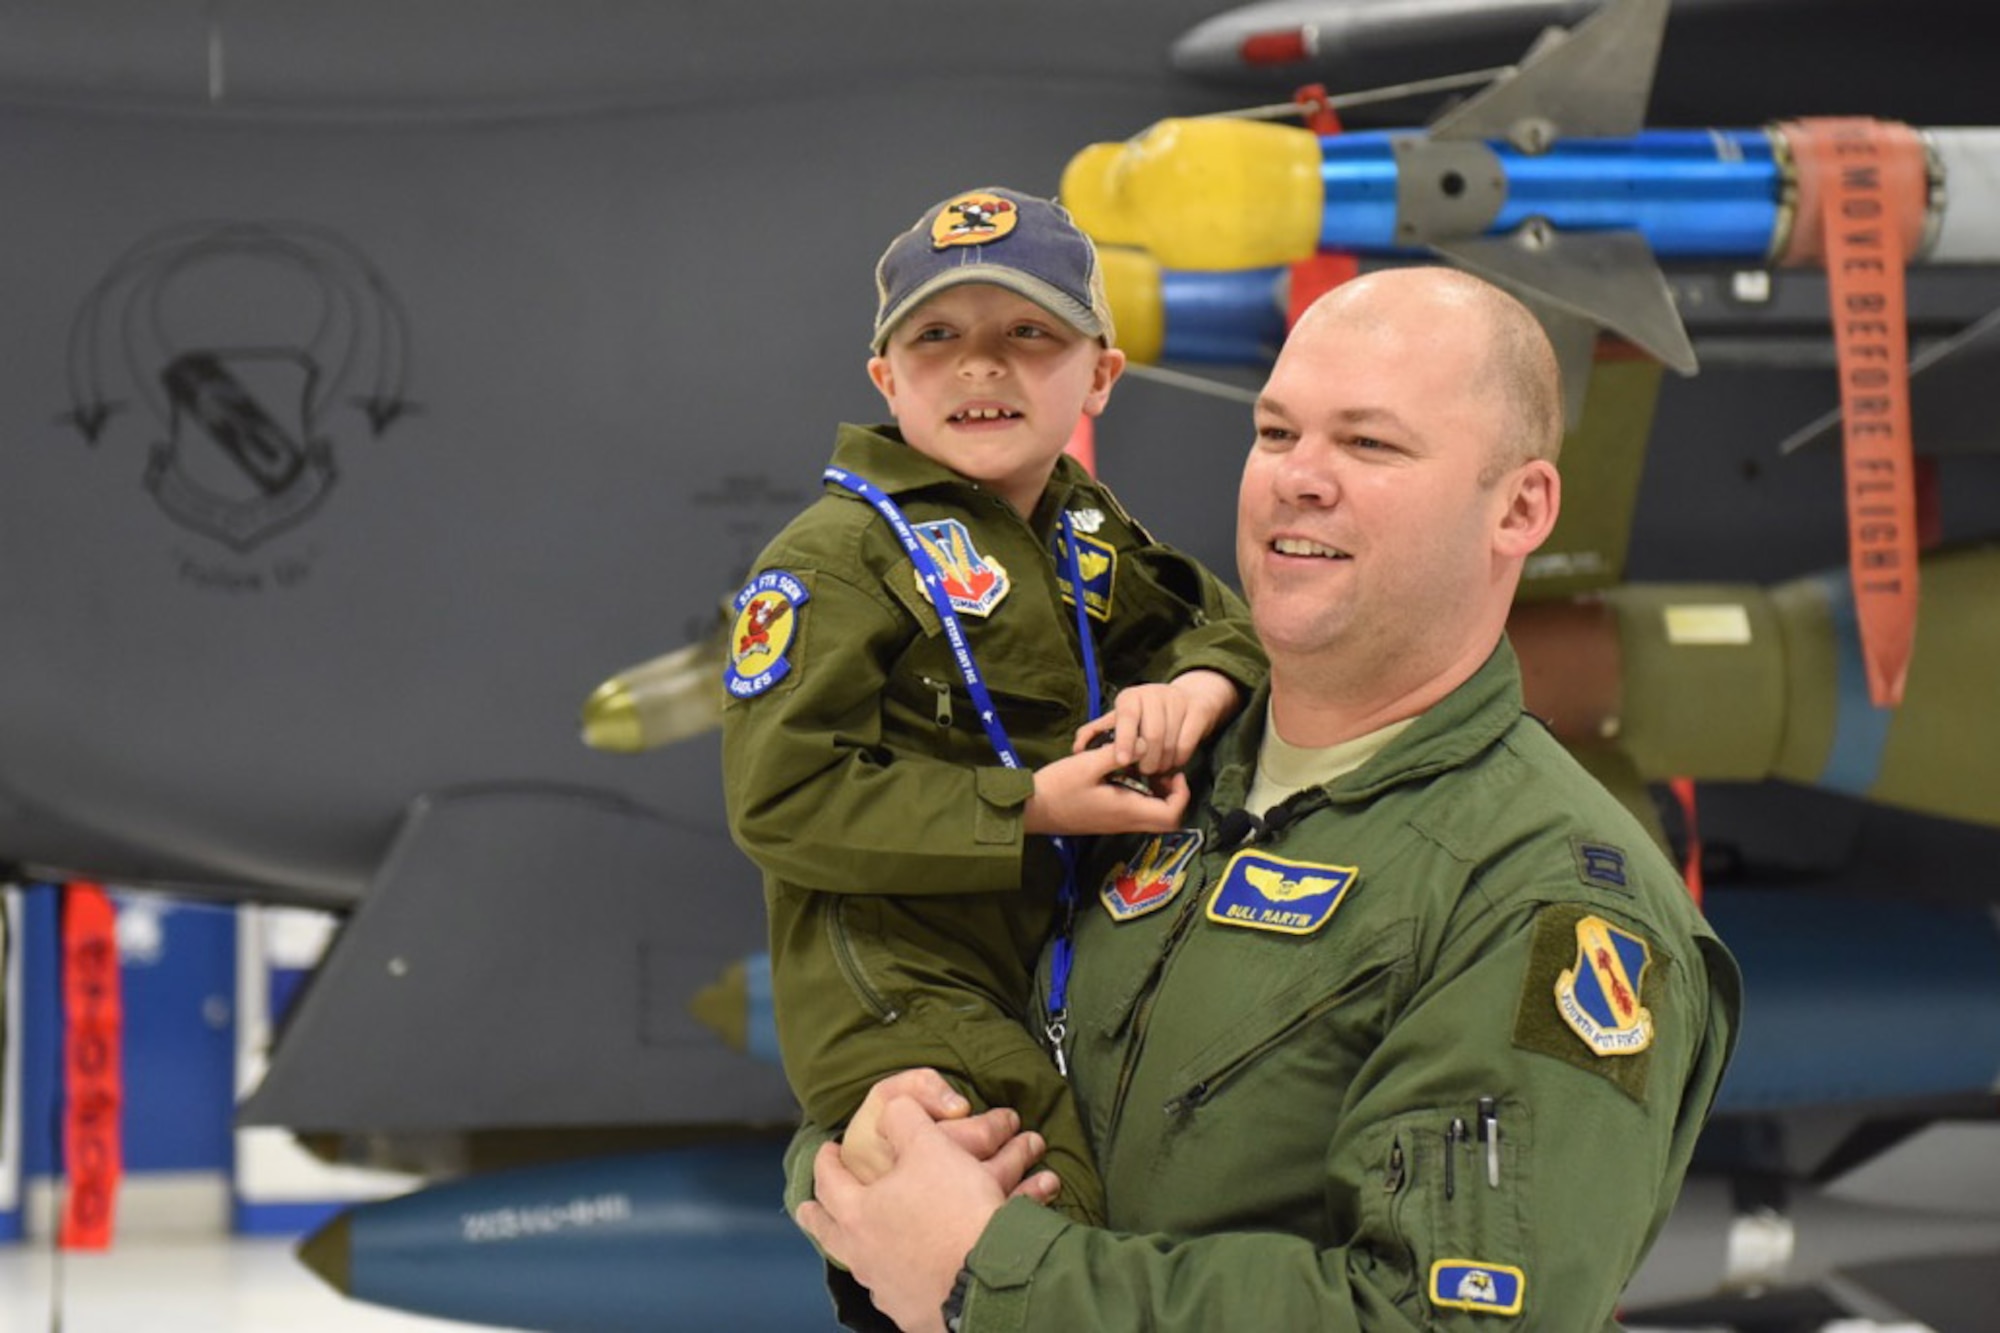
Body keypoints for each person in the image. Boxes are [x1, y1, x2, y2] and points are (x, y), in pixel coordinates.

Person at [793, 266, 1744, 1332]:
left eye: (1368, 443)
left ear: (1517, 506)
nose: (1298, 478)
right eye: (1277, 432)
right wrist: (870, 1141)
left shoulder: (1540, 897)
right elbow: (923, 990)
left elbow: (1440, 1320)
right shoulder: (1130, 768)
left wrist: (988, 1276)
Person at [721, 186, 1266, 1228]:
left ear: (1100, 374)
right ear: (885, 377)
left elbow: (1221, 623)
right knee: (1052, 1196)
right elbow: (781, 801)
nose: (980, 364)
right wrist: (1032, 807)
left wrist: (1187, 690)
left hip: (1049, 963)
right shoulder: (832, 561)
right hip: (900, 990)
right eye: (936, 335)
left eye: (1028, 331)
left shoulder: (1082, 529)